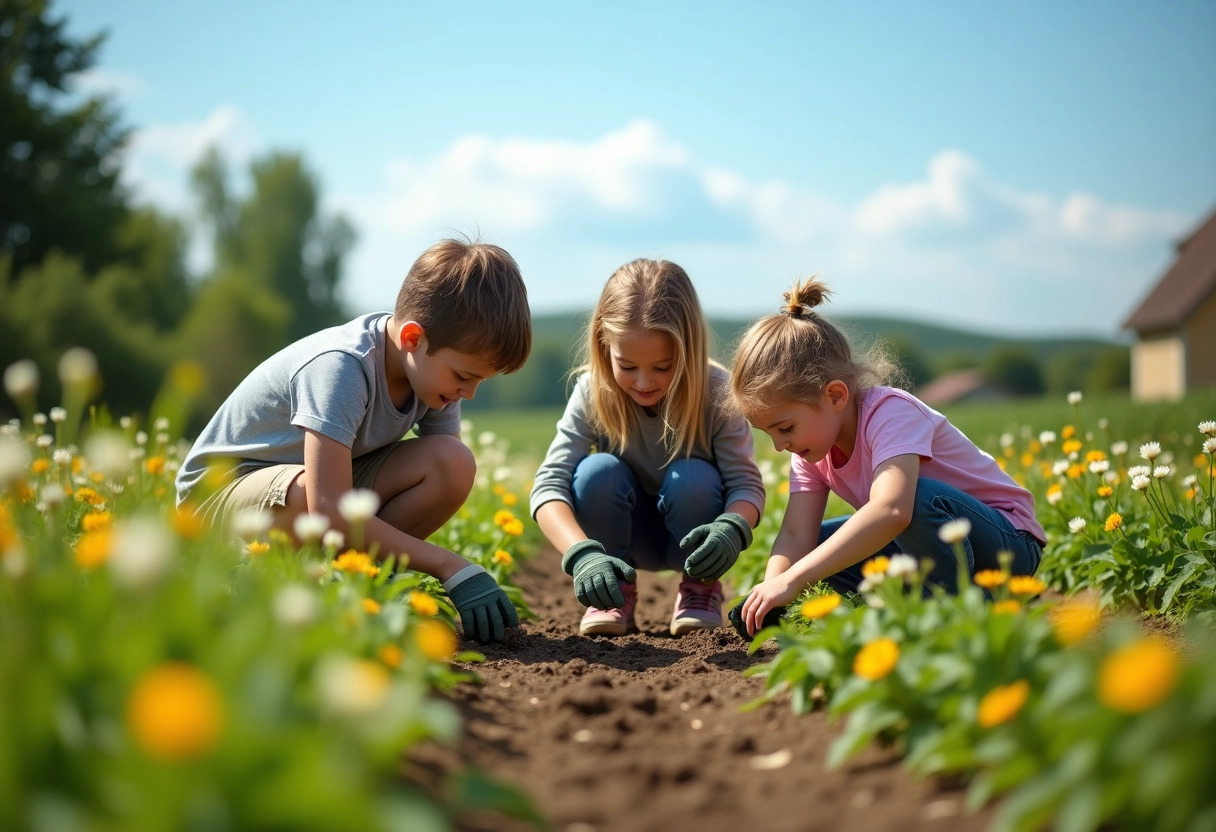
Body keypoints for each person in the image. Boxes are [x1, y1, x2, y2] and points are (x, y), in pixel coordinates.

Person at [175, 237, 530, 644]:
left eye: (480, 380)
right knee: (309, 493)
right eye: (465, 377)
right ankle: (316, 588)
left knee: (453, 462)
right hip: (217, 500)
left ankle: (361, 585)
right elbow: (327, 509)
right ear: (413, 339)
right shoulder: (342, 368)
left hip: (311, 498)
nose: (469, 393)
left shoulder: (433, 378)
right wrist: (451, 566)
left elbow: (440, 468)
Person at [729, 277, 1045, 639]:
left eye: (784, 428)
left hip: (1006, 543)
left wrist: (795, 579)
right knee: (819, 548)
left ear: (834, 396)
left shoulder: (890, 413)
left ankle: (949, 611)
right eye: (768, 433)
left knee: (913, 499)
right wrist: (772, 593)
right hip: (928, 546)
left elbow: (893, 511)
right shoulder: (810, 448)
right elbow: (797, 533)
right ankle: (964, 601)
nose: (779, 445)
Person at [530, 258, 765, 637]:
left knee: (693, 477)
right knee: (595, 473)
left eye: (663, 367)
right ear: (604, 347)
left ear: (690, 350)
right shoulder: (592, 391)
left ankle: (700, 590)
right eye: (627, 365)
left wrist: (732, 527)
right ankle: (613, 594)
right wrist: (583, 554)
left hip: (693, 542)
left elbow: (746, 485)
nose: (643, 382)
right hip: (618, 541)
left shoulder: (717, 392)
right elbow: (548, 486)